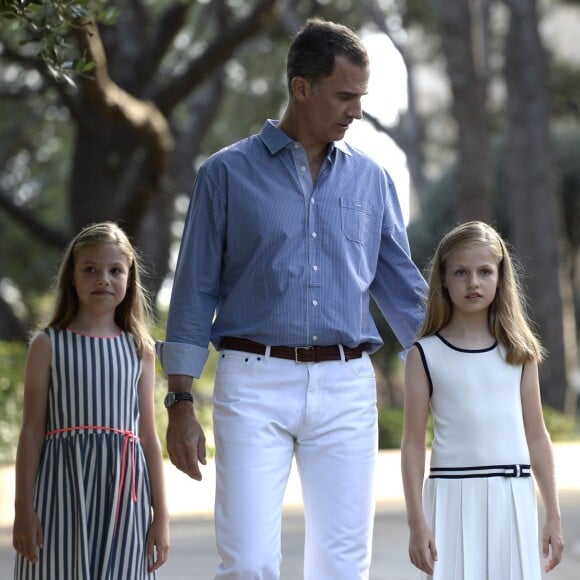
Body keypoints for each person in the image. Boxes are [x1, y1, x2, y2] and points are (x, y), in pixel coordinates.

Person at [157, 17, 427, 579]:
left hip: (348, 386)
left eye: (362, 97)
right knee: (249, 562)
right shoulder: (225, 174)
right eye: (345, 95)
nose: (356, 110)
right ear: (301, 88)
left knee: (342, 567)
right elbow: (193, 289)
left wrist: (459, 364)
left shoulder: (372, 181)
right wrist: (180, 402)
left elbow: (405, 290)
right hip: (253, 382)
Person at [400, 220, 564, 579]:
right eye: (461, 272)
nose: (473, 282)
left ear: (500, 277)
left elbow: (536, 436)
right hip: (451, 501)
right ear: (443, 278)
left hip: (513, 499)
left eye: (484, 271)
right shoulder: (424, 355)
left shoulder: (520, 352)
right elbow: (412, 444)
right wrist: (417, 521)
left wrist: (552, 512)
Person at [13, 222, 169, 579]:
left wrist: (160, 516)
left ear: (130, 278)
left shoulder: (140, 350)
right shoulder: (48, 344)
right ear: (71, 277)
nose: (104, 279)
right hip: (61, 488)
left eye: (115, 270)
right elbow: (32, 430)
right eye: (90, 269)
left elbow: (148, 436)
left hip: (124, 497)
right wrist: (24, 508)